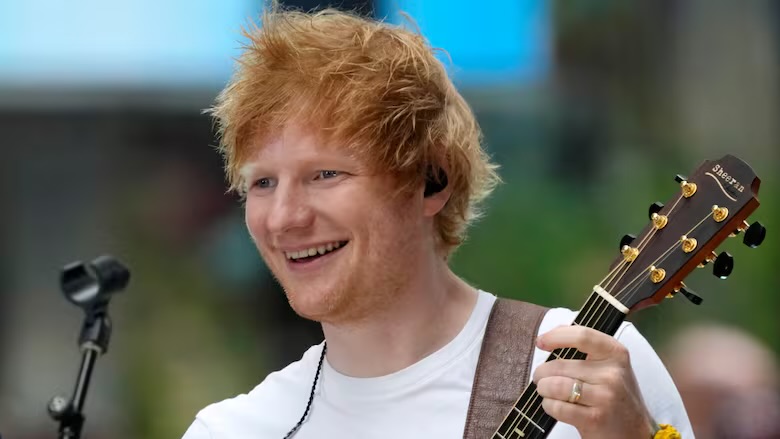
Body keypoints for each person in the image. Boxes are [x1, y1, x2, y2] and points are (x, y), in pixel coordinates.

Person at [183, 5, 693, 439]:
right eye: (262, 183)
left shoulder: (590, 365)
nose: (286, 218)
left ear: (431, 180)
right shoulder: (236, 429)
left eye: (325, 174)